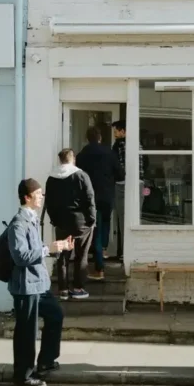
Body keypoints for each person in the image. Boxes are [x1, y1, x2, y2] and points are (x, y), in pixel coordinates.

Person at [8, 179, 73, 386]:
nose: (42, 196)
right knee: (27, 332)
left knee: (55, 315)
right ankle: (23, 376)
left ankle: (45, 360)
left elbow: (35, 249)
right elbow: (20, 256)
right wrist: (48, 250)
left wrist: (57, 246)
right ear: (27, 197)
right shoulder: (19, 223)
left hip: (39, 284)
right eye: (38, 193)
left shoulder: (33, 220)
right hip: (26, 286)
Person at [42, 148, 95, 300]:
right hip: (81, 221)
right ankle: (78, 288)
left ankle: (63, 290)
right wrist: (92, 219)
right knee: (81, 255)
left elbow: (49, 202)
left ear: (60, 160)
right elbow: (89, 198)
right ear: (73, 159)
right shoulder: (81, 175)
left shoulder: (51, 178)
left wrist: (54, 219)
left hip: (61, 221)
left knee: (62, 256)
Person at [76, 124, 123, 279]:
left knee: (95, 230)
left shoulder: (82, 155)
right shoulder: (109, 153)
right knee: (105, 223)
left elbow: (78, 177)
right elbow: (121, 174)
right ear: (100, 138)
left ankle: (99, 268)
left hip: (90, 197)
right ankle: (103, 249)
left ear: (87, 139)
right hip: (107, 195)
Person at [110, 120, 147, 263]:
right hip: (139, 182)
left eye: (116, 132)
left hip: (123, 183)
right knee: (136, 218)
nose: (115, 135)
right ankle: (136, 251)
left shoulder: (120, 145)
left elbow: (116, 165)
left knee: (123, 218)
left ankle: (126, 252)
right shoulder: (138, 144)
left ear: (123, 131)